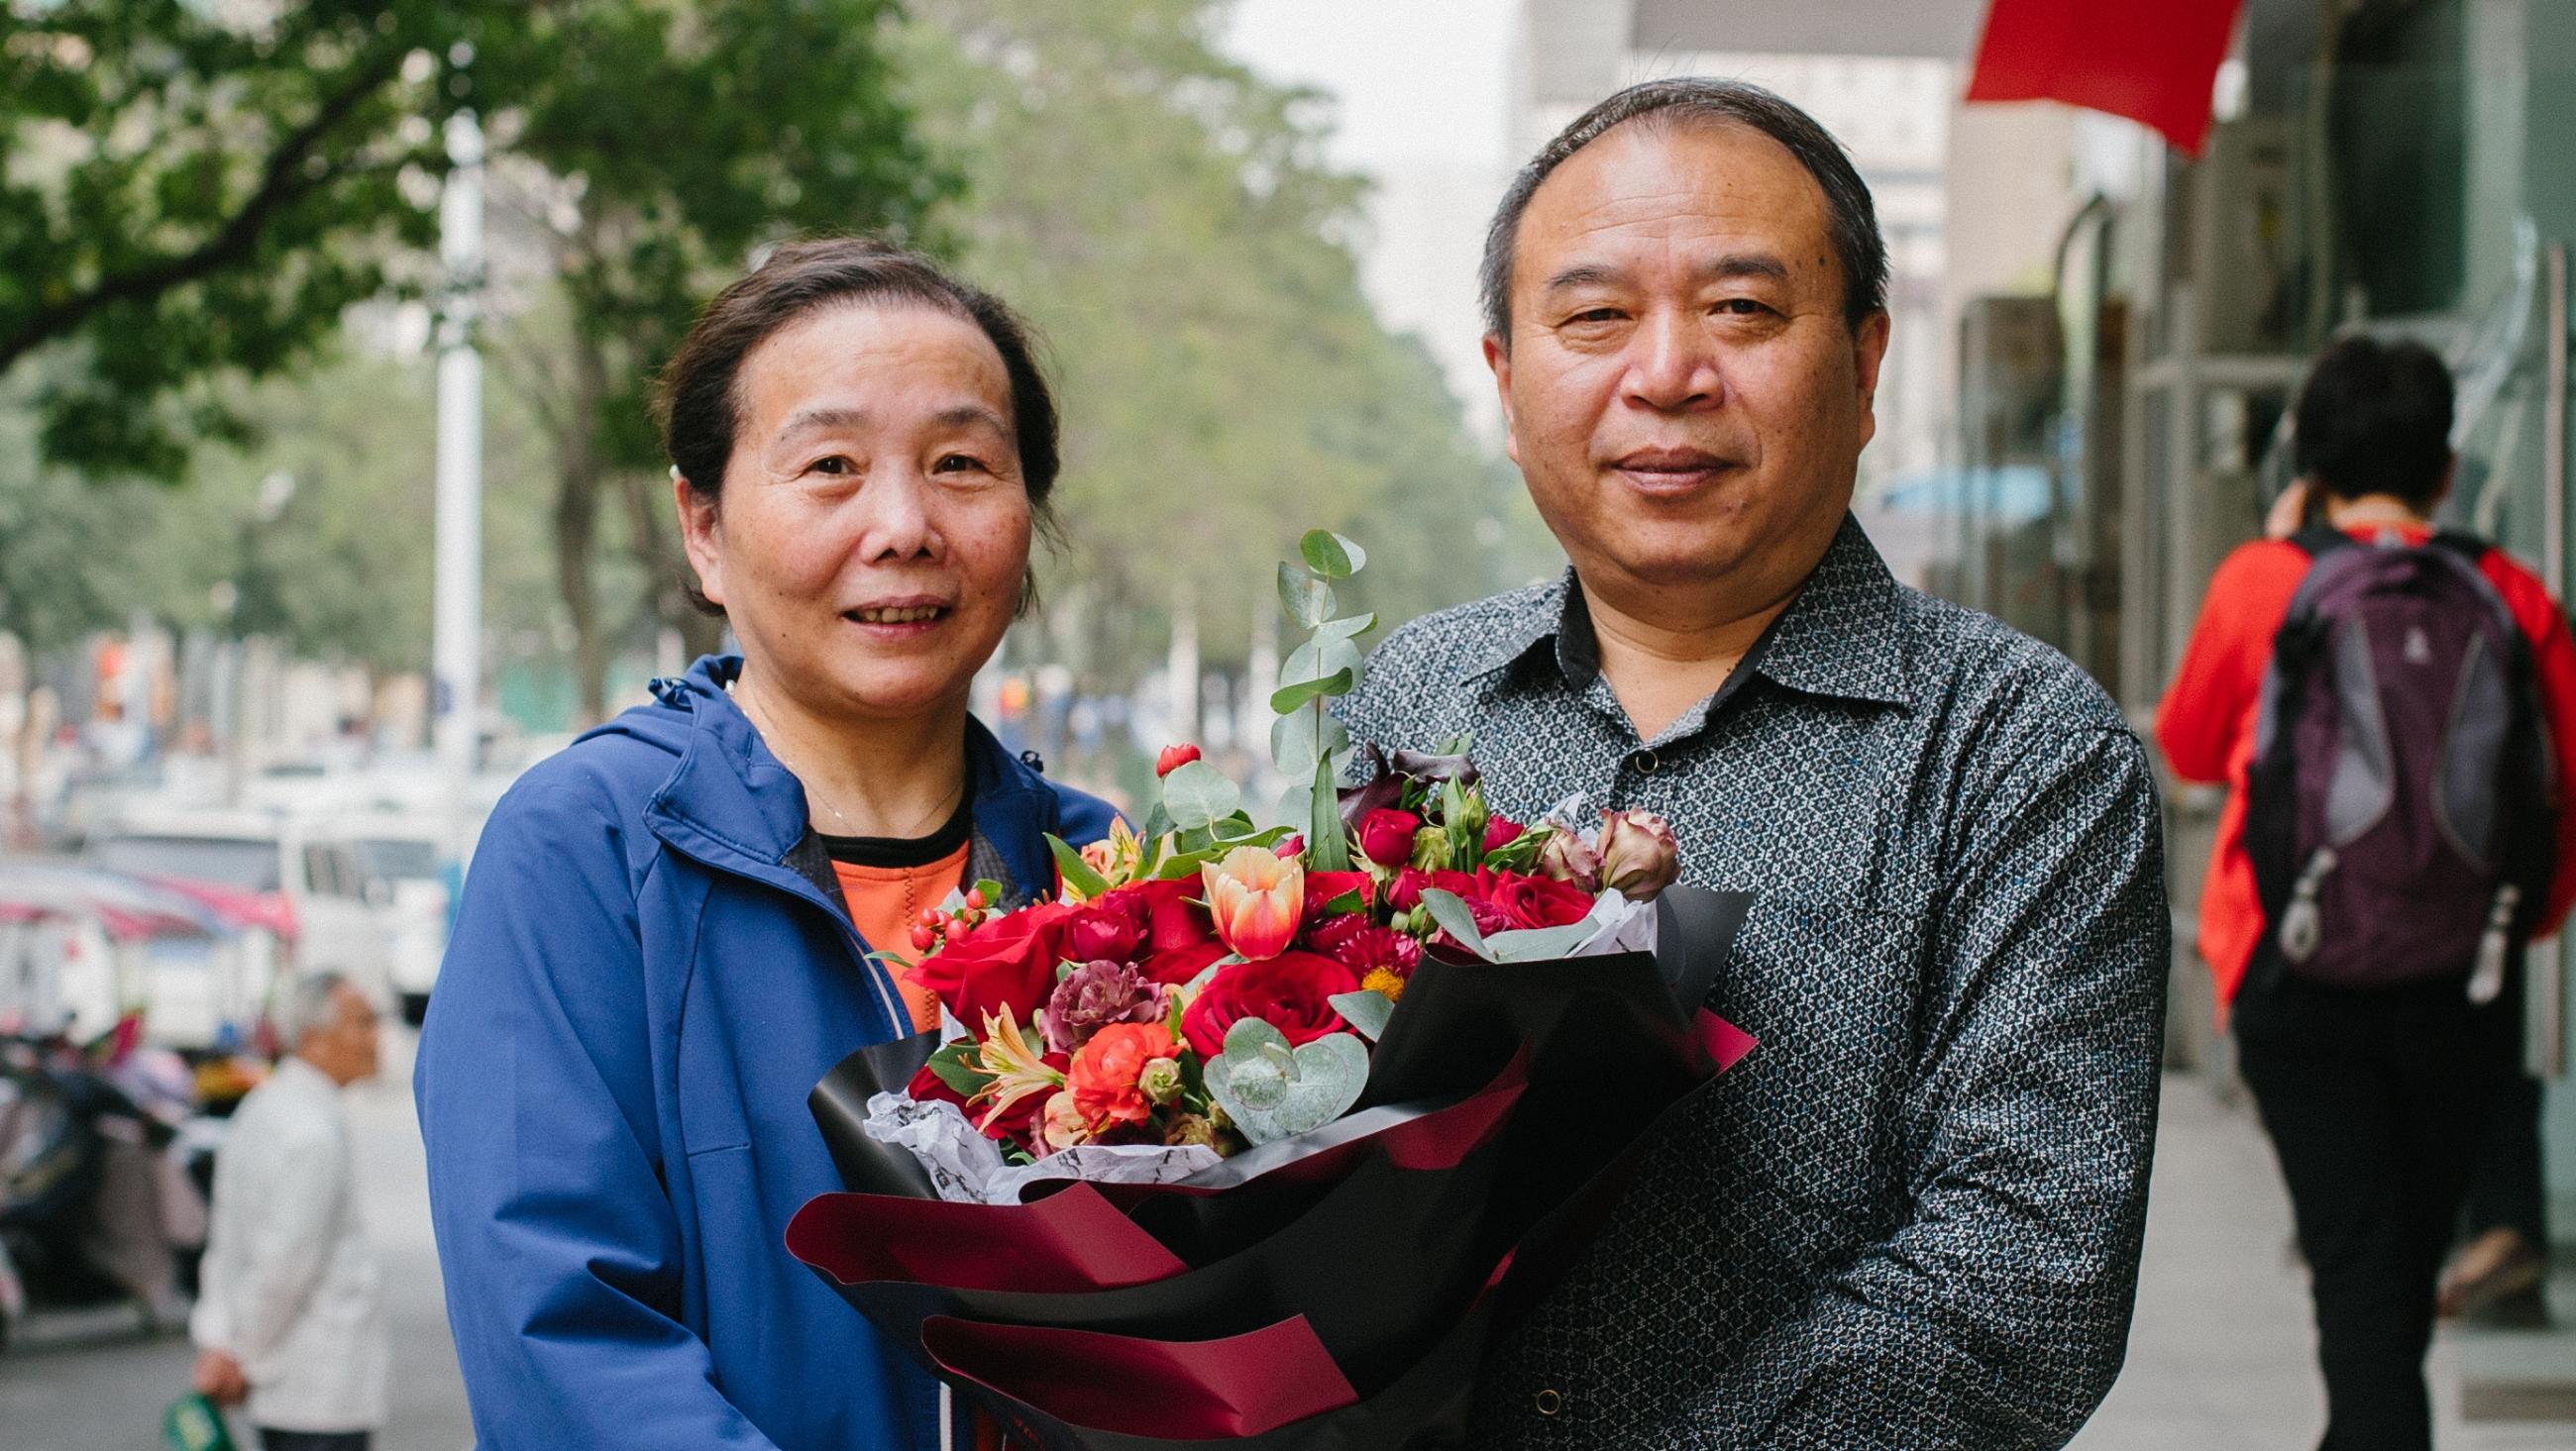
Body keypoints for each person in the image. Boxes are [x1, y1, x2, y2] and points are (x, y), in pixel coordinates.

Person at [1337, 78, 2169, 1447]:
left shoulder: (2025, 753)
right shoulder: (1417, 698)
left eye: (1742, 309)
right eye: (1596, 316)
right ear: (1505, 379)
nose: (1666, 373)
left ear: (1865, 365)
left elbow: (2024, 1271)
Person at [415, 238, 1117, 1451]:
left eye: (961, 465)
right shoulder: (584, 851)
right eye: (830, 466)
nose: (902, 525)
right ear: (702, 526)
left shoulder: (1105, 876)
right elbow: (563, 1342)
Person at [2157, 335, 2576, 1450]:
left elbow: (2194, 747)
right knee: (2392, 1280)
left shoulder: (2261, 581)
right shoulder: (2510, 592)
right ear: (2445, 467)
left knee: (2356, 1274)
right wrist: (2511, 930)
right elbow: (2557, 792)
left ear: (2308, 456)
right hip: (2461, 981)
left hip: (2295, 980)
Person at [188, 972, 387, 1451]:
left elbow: (227, 1244)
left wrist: (223, 1341)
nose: (375, 1039)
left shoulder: (264, 1108)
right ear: (315, 1040)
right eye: (362, 1024)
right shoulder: (311, 1135)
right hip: (318, 1387)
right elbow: (283, 1264)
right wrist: (235, 1352)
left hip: (287, 1381)